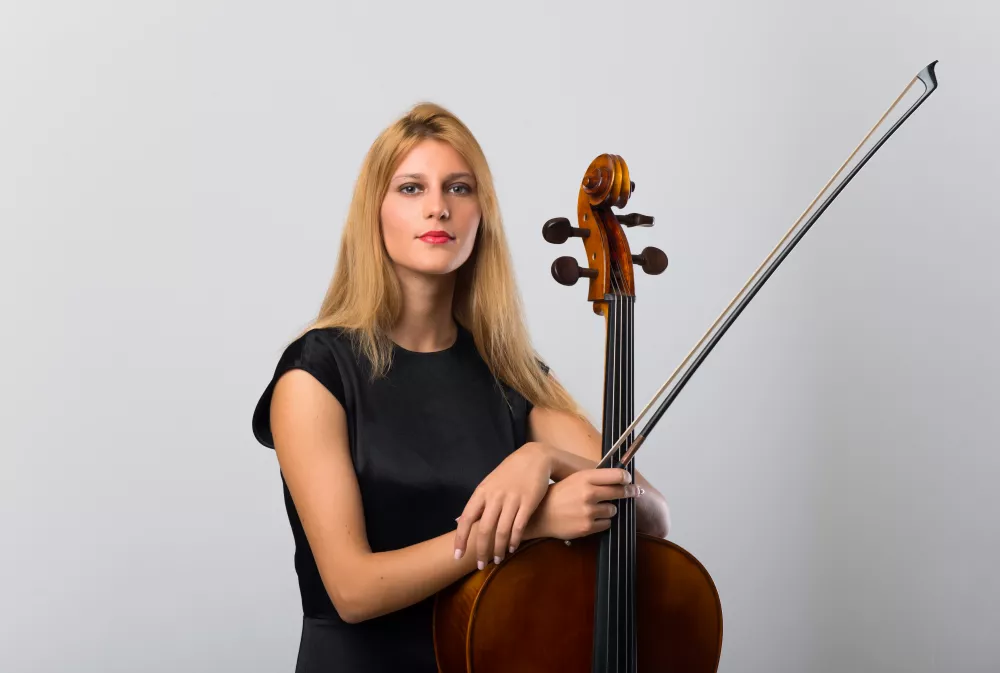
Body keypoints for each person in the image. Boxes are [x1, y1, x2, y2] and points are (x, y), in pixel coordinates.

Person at [250, 102, 671, 672]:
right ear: (373, 214)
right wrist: (536, 522)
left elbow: (652, 512)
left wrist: (544, 456)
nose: (438, 208)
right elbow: (353, 590)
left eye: (458, 188)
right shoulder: (316, 374)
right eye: (410, 188)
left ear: (481, 215)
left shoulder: (508, 371)